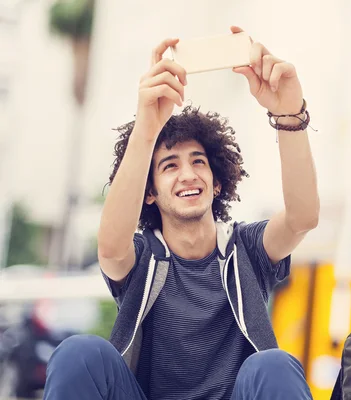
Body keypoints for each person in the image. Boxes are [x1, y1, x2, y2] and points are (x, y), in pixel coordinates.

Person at [43, 26, 319, 400]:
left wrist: (289, 113)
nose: (188, 174)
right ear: (151, 193)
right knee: (79, 353)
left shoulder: (246, 248)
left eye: (198, 162)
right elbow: (109, 248)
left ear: (217, 182)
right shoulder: (141, 259)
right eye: (170, 165)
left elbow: (302, 218)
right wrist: (147, 126)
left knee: (272, 365)